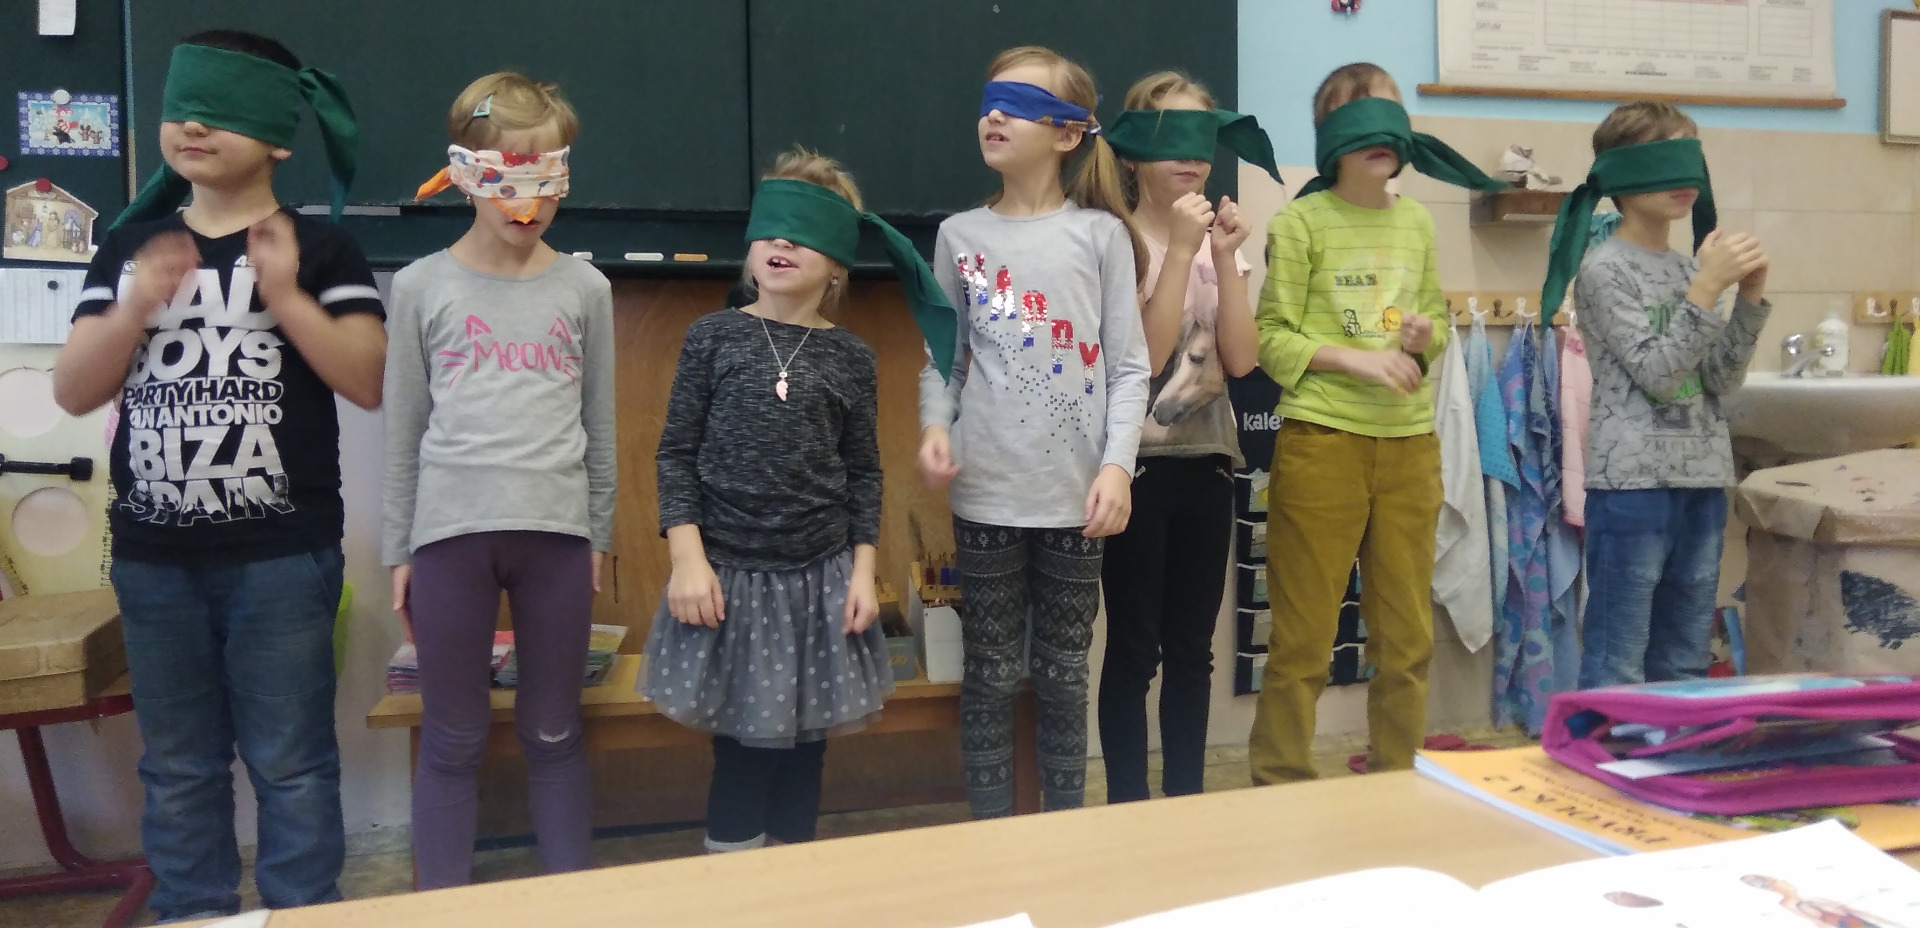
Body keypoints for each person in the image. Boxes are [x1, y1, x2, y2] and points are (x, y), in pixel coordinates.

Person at [50, 29, 380, 923]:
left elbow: (365, 379)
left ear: (277, 139)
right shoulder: (129, 248)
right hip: (154, 560)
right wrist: (135, 303)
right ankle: (192, 914)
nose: (193, 125)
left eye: (220, 112)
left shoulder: (323, 251)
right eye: (182, 109)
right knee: (178, 766)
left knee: (292, 763)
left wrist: (287, 296)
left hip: (282, 556)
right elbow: (74, 390)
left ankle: (301, 911)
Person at [645, 147, 954, 852]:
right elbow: (675, 453)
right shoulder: (713, 337)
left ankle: (793, 882)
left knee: (805, 751)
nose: (781, 243)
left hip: (819, 586)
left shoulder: (851, 357)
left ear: (837, 263)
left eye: (803, 233)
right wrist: (687, 559)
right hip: (729, 583)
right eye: (770, 230)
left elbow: (863, 472)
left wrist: (862, 574)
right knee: (741, 755)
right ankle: (736, 887)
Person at [384, 71, 615, 889]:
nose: (529, 205)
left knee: (555, 732)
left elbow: (599, 423)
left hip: (556, 537)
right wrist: (399, 547)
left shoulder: (585, 288)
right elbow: (404, 427)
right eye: (510, 181)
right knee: (452, 738)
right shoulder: (420, 288)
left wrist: (597, 532)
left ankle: (571, 902)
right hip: (451, 537)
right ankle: (440, 906)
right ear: (464, 175)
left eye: (547, 182)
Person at [1248, 62, 1505, 786]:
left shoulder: (1416, 222)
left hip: (1409, 450)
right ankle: (1279, 784)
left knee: (1406, 638)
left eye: (1390, 113)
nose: (1378, 132)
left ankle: (1397, 779)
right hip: (1322, 444)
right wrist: (1356, 361)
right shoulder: (1300, 222)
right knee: (1303, 639)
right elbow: (1272, 340)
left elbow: (1435, 332)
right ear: (1329, 136)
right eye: (1358, 115)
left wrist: (1424, 337)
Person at [917, 46, 1152, 817]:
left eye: (1015, 104)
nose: (993, 115)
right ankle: (991, 839)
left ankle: (1065, 837)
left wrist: (1116, 467)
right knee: (988, 676)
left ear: (1067, 133)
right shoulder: (959, 236)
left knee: (1063, 675)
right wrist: (935, 426)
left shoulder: (1100, 237)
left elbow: (1128, 368)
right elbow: (945, 361)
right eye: (989, 101)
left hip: (1075, 500)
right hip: (986, 493)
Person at [1538, 101, 1770, 690]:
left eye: (1690, 155)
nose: (1684, 176)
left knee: (1686, 655)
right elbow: (1659, 374)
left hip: (1702, 480)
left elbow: (1719, 380)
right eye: (1664, 156)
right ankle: (1606, 745)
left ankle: (1674, 746)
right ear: (1622, 174)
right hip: (1633, 486)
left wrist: (1747, 299)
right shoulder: (1604, 269)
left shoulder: (1687, 269)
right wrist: (1708, 287)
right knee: (1617, 654)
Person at [1094, 71, 1274, 802]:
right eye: (1172, 138)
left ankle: (1187, 803)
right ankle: (1127, 807)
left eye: (1203, 141)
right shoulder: (1112, 238)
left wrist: (1223, 259)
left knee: (1193, 651)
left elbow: (1242, 360)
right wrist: (1177, 249)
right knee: (1134, 648)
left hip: (1208, 462)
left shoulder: (1215, 244)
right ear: (1133, 153)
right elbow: (1145, 355)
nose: (1192, 157)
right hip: (1133, 465)